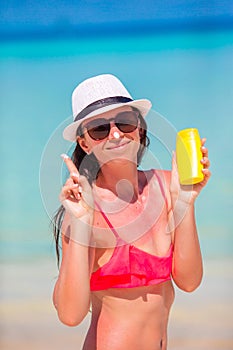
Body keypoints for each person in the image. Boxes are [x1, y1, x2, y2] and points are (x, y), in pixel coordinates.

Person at [52, 74, 211, 350]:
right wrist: (79, 224)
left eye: (125, 122)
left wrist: (185, 201)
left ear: (139, 128)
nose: (115, 134)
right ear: (84, 143)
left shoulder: (167, 186)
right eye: (99, 129)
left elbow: (189, 281)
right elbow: (69, 315)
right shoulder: (85, 208)